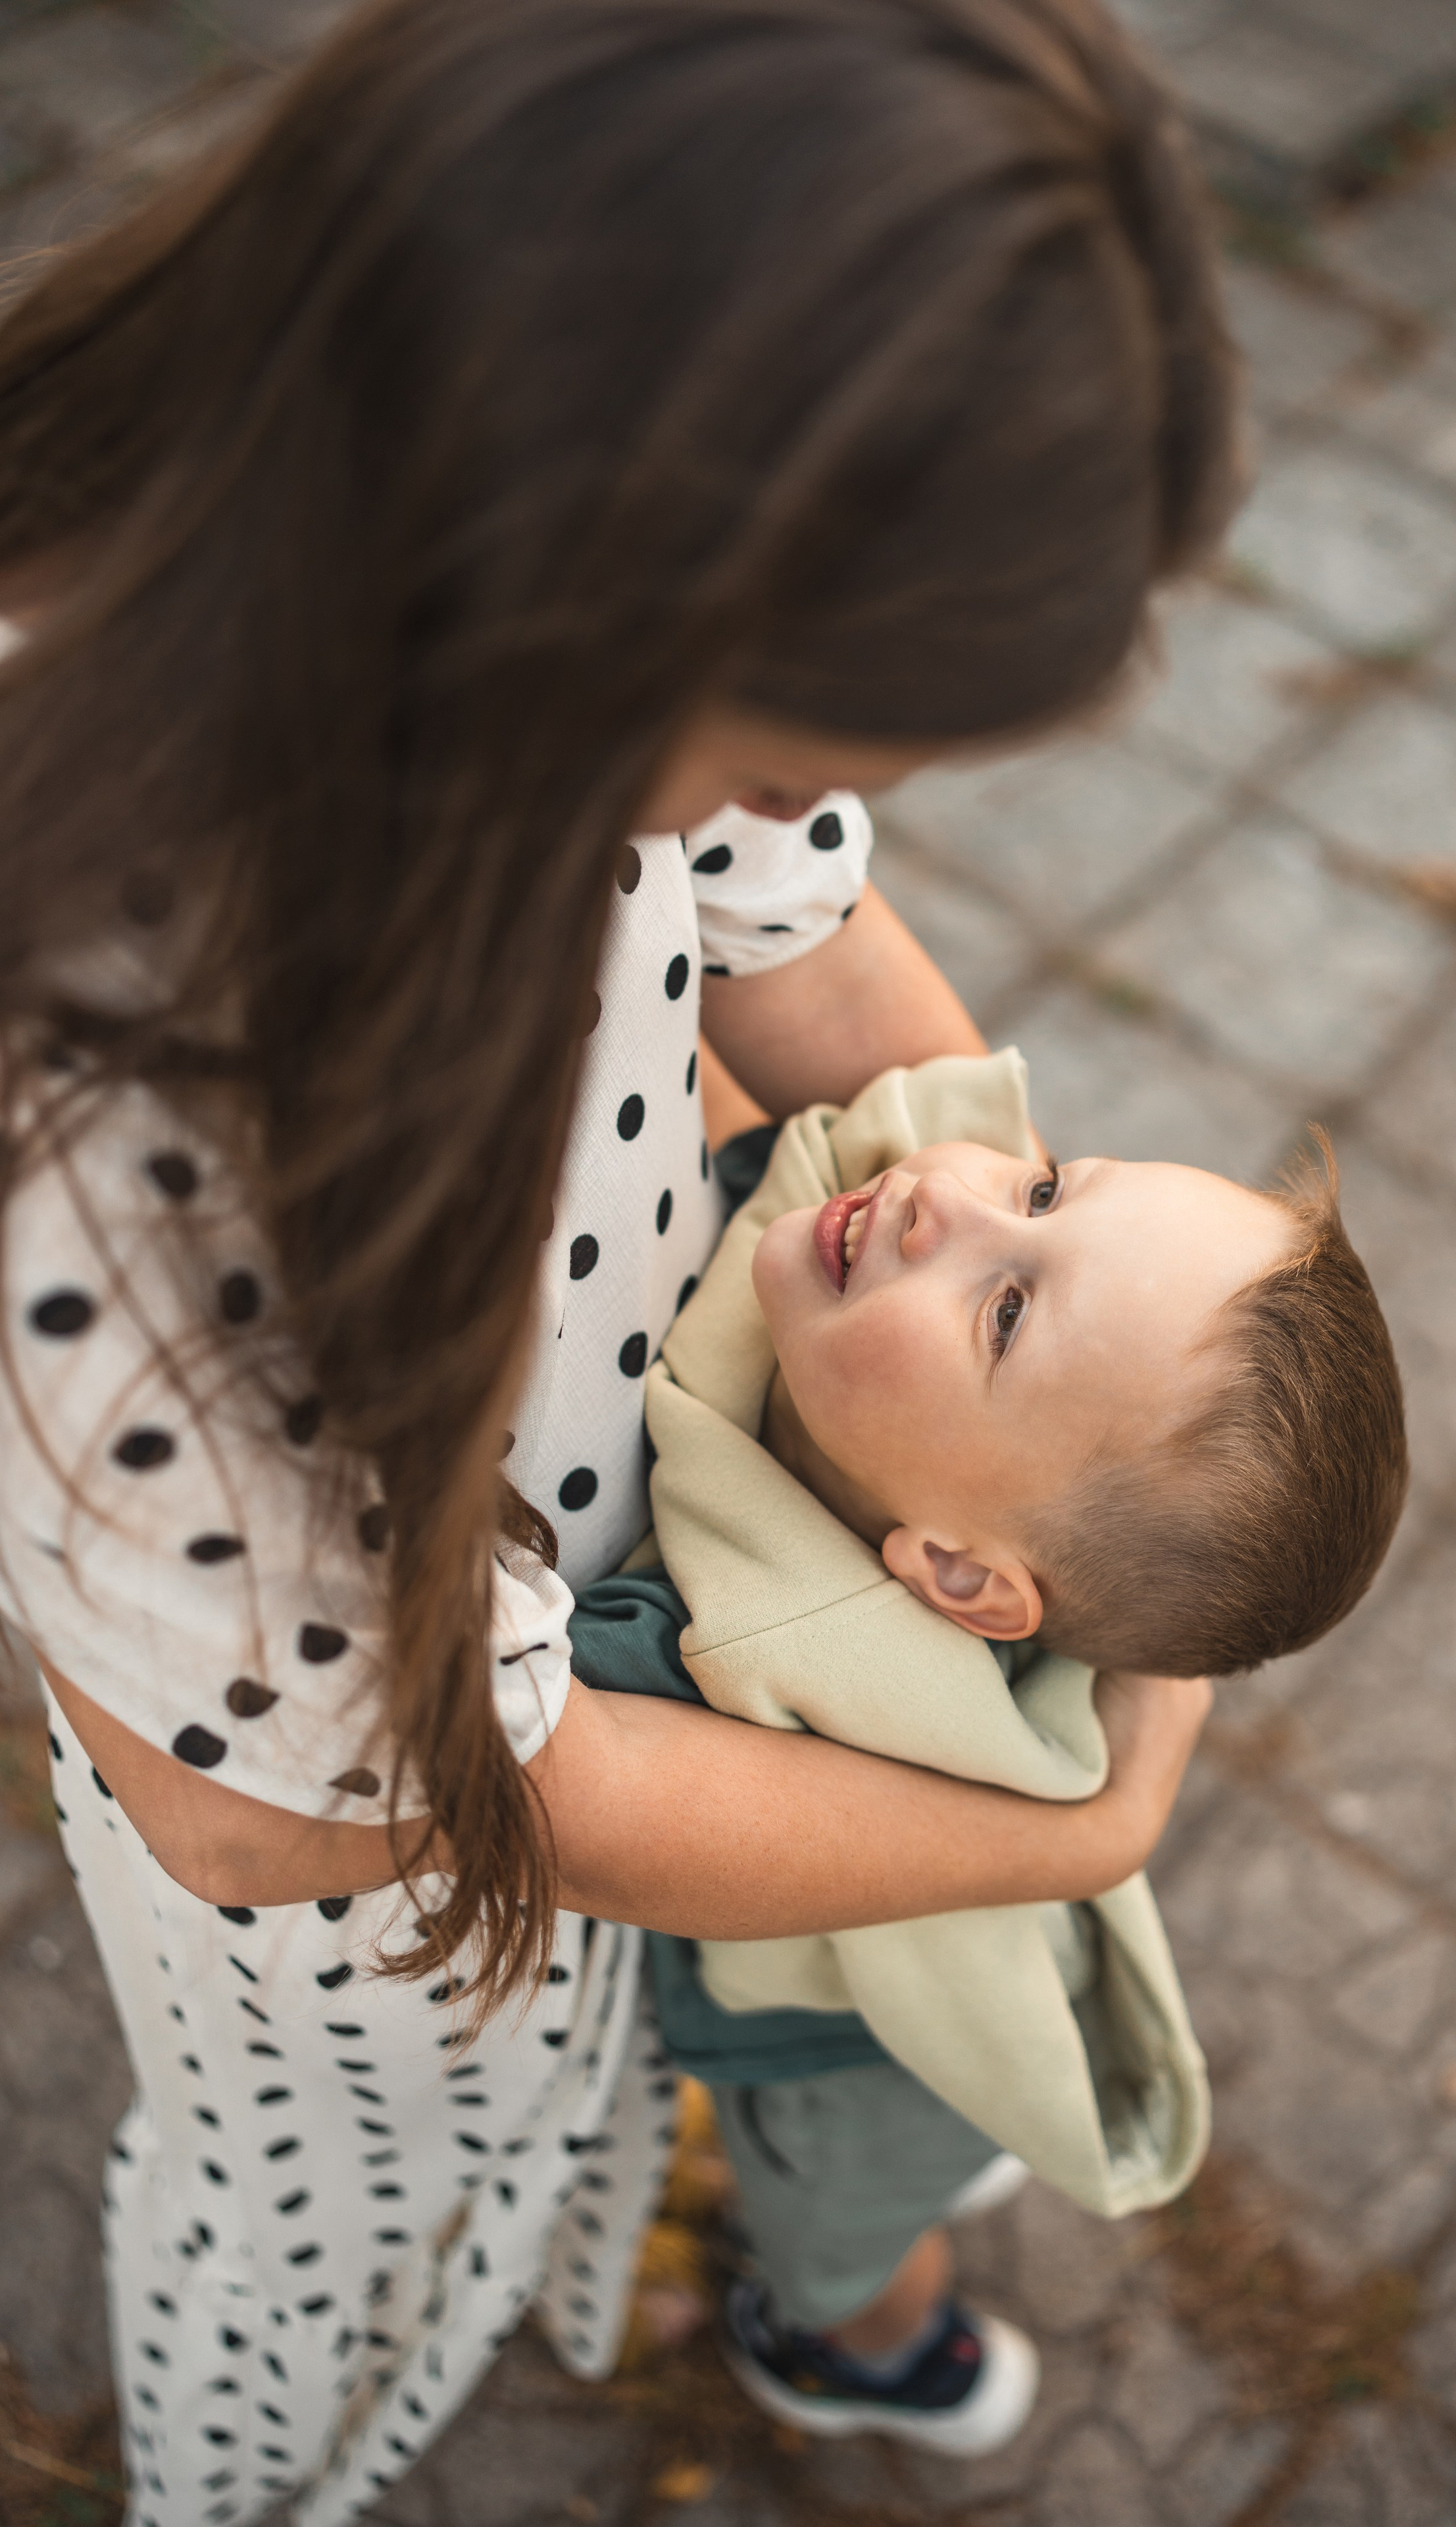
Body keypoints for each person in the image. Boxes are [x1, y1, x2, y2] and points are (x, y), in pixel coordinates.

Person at [0, 0, 1239, 2516]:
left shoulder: (467, 645)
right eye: (795, 743)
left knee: (578, 2084)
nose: (812, 811)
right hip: (380, 1902)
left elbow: (826, 982)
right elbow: (293, 1816)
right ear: (572, 566)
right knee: (332, 2232)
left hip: (564, 1728)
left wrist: (1123, 1419)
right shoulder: (103, 1093)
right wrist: (1066, 1834)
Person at [576, 1045, 1407, 2444]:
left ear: (958, 1582)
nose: (943, 1199)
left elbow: (560, 1795)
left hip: (850, 2056)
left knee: (834, 2231)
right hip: (1001, 1958)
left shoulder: (711, 1643)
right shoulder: (961, 1468)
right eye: (1043, 1182)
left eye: (1007, 1310)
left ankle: (876, 2355)